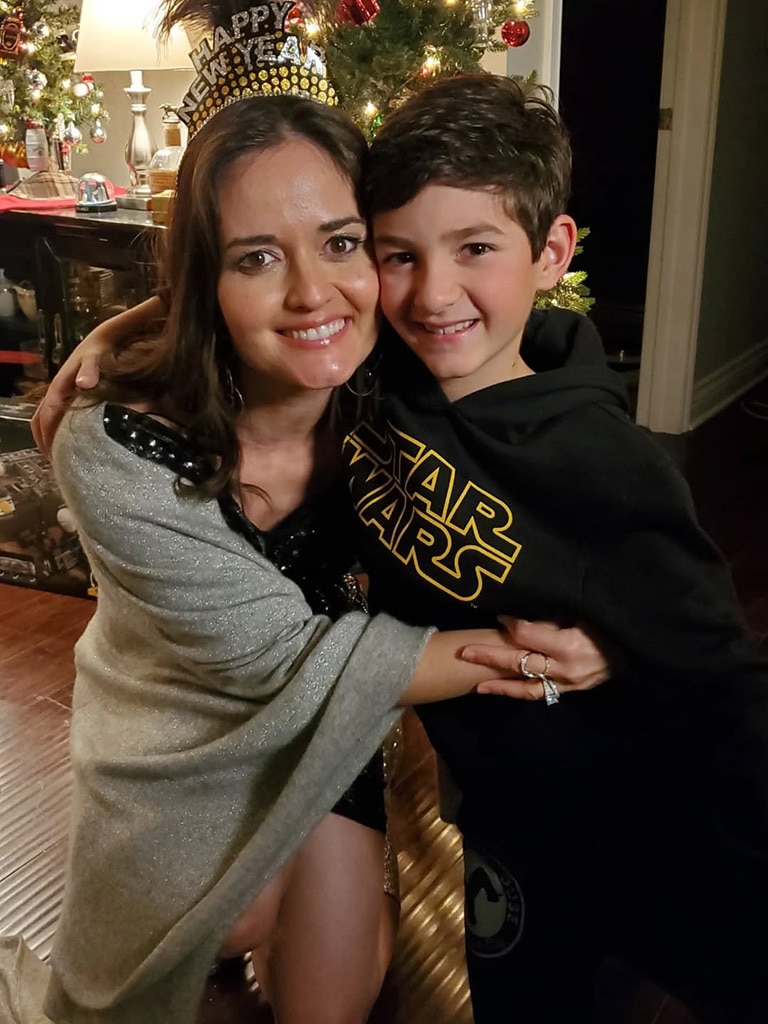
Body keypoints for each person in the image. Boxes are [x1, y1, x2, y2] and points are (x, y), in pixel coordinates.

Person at [3, 29, 610, 1024]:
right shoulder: (114, 446)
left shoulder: (394, 371)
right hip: (179, 721)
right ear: (206, 278)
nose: (312, 293)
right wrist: (529, 656)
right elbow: (275, 657)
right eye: (256, 257)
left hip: (335, 712)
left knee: (333, 1001)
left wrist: (124, 318)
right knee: (205, 934)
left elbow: (521, 325)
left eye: (341, 243)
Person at [336, 73, 768, 1024]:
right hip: (506, 816)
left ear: (551, 252)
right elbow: (266, 306)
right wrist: (122, 333)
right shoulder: (372, 373)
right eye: (399, 255)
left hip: (631, 816)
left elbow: (717, 673)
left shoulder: (607, 467)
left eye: (475, 248)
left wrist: (625, 649)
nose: (433, 293)